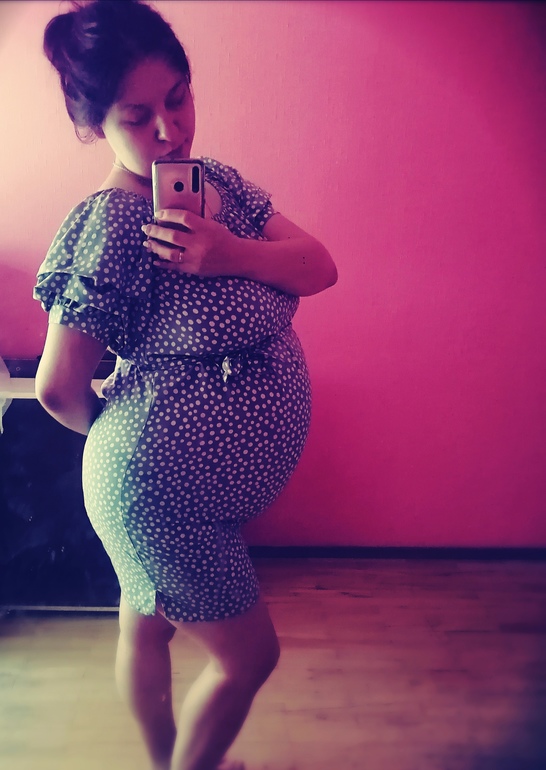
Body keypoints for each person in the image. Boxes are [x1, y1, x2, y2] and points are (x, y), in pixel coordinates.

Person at [34, 2, 337, 769]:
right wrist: (150, 449)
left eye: (178, 98)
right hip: (159, 496)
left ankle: (169, 759)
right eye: (138, 117)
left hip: (194, 496)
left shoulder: (220, 185)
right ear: (94, 124)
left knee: (145, 625)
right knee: (249, 658)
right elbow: (59, 388)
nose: (170, 131)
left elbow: (319, 266)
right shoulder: (111, 225)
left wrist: (229, 253)